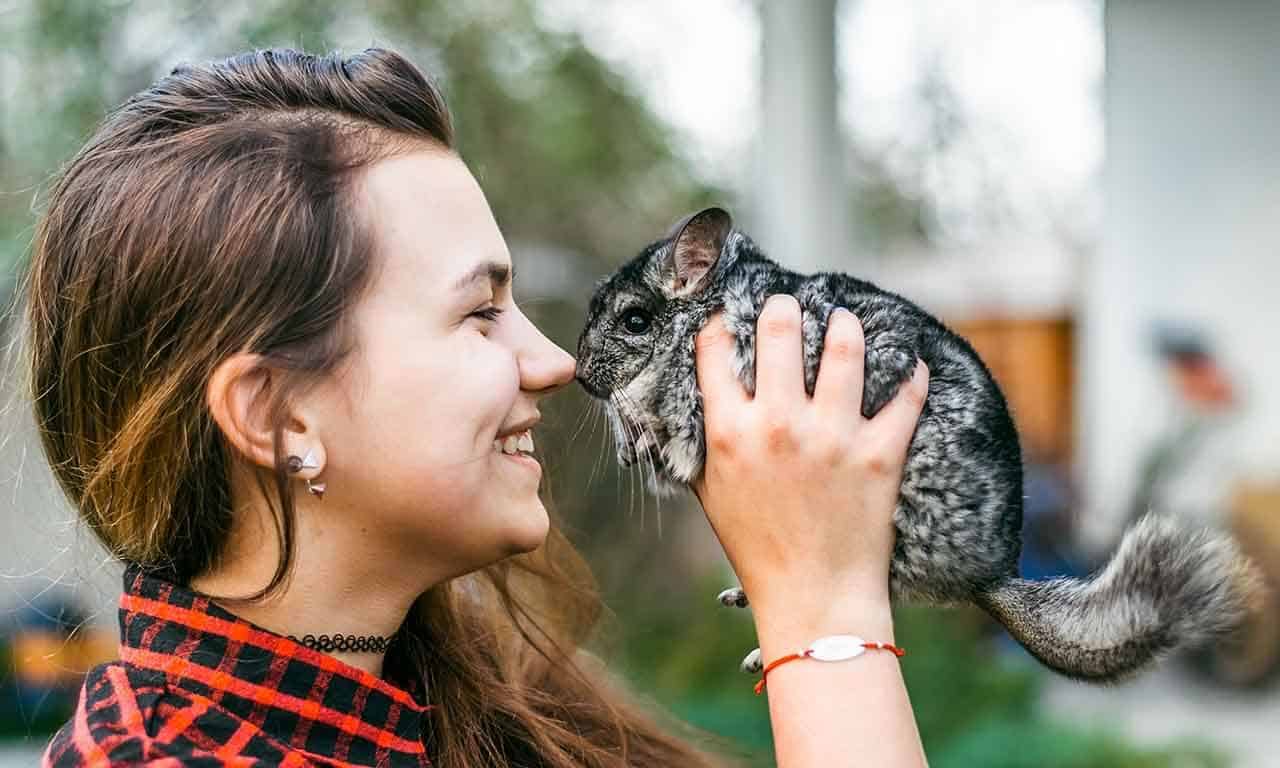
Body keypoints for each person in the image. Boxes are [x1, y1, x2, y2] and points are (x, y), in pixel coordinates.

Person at [27, 48, 929, 767]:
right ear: (278, 417)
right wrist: (823, 613)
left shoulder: (475, 703)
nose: (554, 363)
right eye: (479, 312)